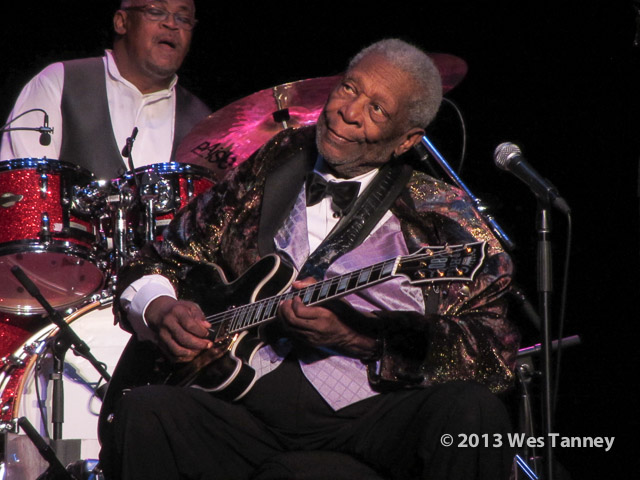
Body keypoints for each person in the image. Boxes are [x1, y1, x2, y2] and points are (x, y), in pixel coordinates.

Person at [101, 38, 520, 480]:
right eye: (350, 88)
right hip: (243, 407)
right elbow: (160, 257)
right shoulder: (275, 163)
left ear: (407, 140)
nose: (350, 111)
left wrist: (361, 339)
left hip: (369, 416)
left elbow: (495, 354)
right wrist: (157, 306)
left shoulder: (441, 214)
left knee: (471, 412)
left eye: (377, 109)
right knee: (145, 411)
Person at [0, 0, 211, 180]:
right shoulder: (60, 82)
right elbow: (25, 192)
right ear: (121, 22)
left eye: (183, 18)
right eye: (156, 12)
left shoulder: (203, 122)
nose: (172, 24)